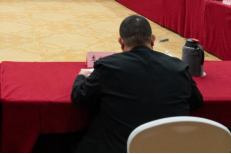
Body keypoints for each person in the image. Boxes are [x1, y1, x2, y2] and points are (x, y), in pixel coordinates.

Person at [71, 15, 204, 153]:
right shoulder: (178, 67)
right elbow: (197, 102)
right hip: (170, 148)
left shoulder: (108, 66)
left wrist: (81, 77)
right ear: (152, 40)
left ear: (121, 42)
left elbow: (81, 97)